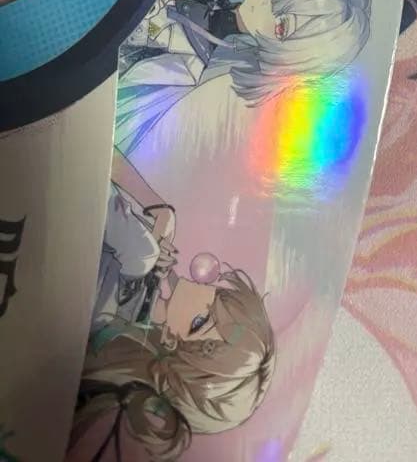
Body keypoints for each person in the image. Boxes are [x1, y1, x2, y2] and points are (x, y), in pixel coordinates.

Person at [70, 150, 274, 460]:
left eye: (200, 322)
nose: (203, 293)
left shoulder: (134, 268)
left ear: (169, 341)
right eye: (218, 297)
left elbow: (80, 157)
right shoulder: (138, 286)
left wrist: (143, 242)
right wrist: (158, 212)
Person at [116, 0, 372, 154]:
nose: (264, 7)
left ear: (285, 55)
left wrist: (142, 22)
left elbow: (118, 91)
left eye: (281, 27)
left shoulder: (187, 66)